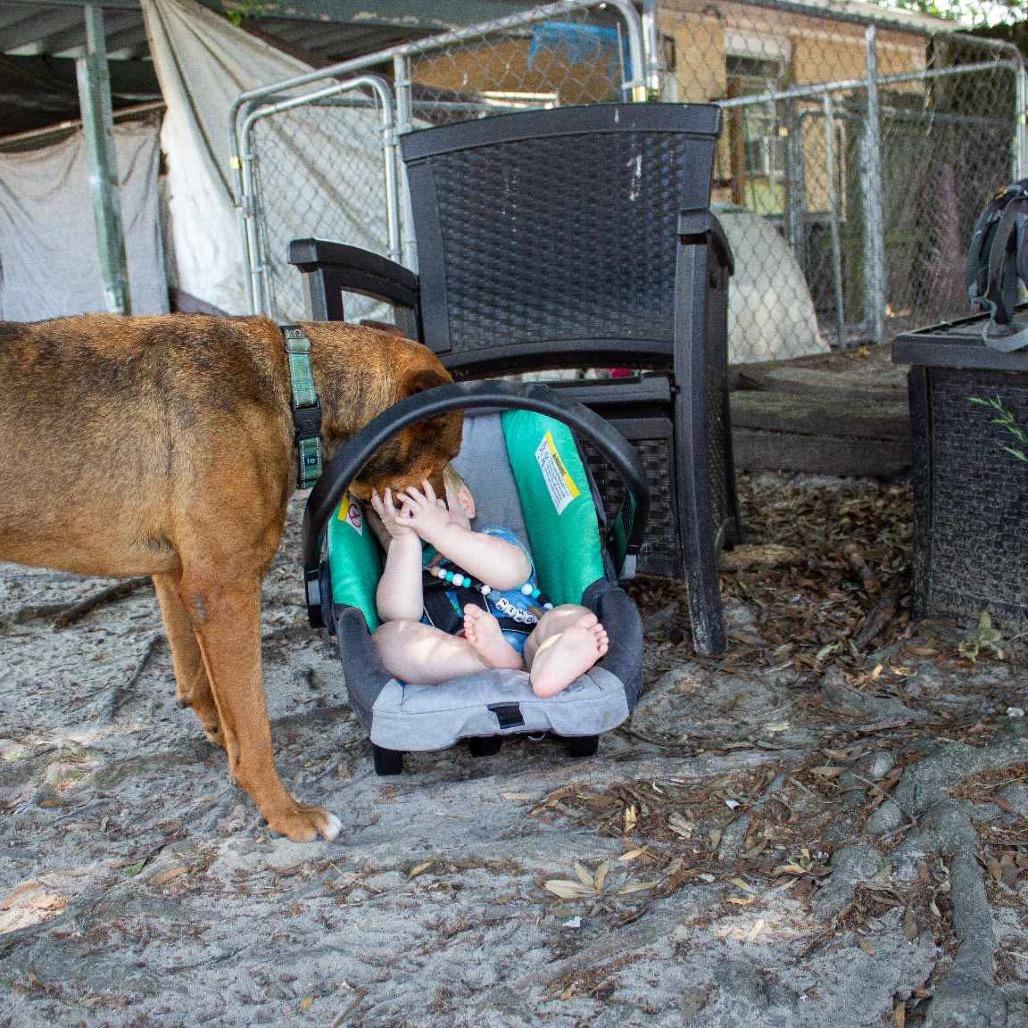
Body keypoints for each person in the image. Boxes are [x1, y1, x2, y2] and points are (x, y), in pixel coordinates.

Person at [369, 469, 607, 698]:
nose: (417, 521)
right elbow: (399, 614)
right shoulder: (409, 569)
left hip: (530, 637)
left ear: (465, 503)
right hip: (460, 655)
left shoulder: (492, 537)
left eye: (431, 504)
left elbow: (511, 572)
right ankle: (490, 663)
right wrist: (403, 542)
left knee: (570, 615)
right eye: (394, 516)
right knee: (386, 638)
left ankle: (555, 657)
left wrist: (441, 531)